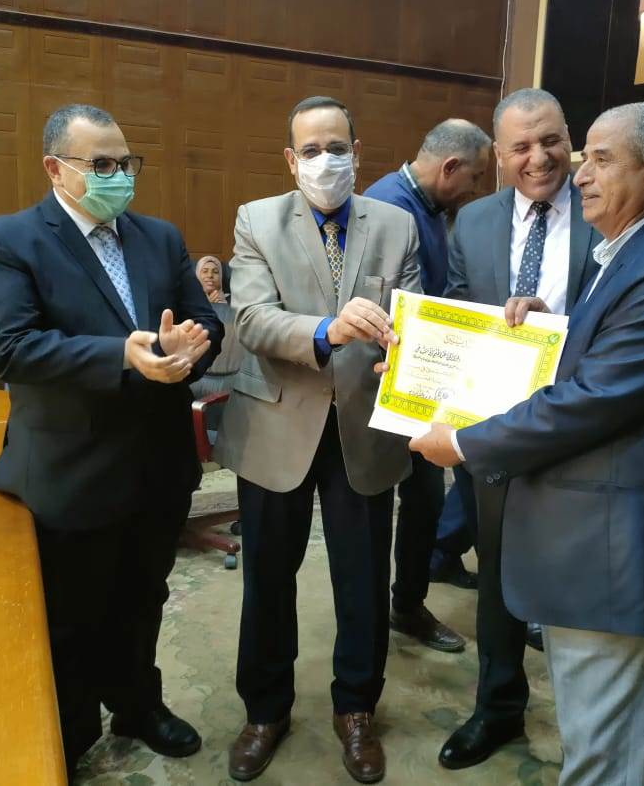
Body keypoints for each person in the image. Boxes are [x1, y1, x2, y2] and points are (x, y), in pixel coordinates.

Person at [408, 103, 644, 786]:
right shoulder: (629, 253)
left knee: (601, 757)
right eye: (585, 157)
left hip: (616, 552)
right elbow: (590, 365)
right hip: (585, 541)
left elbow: (591, 401)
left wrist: (462, 443)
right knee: (598, 742)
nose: (578, 173)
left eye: (600, 158)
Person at [0, 104, 222, 775]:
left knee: (144, 596)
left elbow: (206, 321)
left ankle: (138, 704)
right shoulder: (6, 240)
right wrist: (121, 355)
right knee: (72, 614)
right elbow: (10, 347)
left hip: (159, 463)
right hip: (71, 465)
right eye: (100, 164)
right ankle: (71, 731)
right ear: (55, 168)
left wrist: (189, 345)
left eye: (125, 163)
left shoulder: (159, 237)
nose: (118, 175)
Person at [219, 96, 420, 784]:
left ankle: (357, 708)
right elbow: (251, 319)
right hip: (277, 423)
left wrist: (408, 357)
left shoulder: (396, 225)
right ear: (290, 159)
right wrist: (326, 330)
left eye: (337, 147)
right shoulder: (257, 220)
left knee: (362, 579)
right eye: (310, 150)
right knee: (267, 577)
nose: (325, 160)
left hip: (364, 428)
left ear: (357, 152)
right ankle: (264, 711)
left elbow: (413, 321)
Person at [433, 87, 601, 770]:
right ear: (498, 156)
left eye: (552, 140)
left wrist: (556, 331)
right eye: (522, 147)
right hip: (496, 430)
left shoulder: (604, 209)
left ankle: (591, 726)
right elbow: (453, 309)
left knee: (582, 580)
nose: (540, 158)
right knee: (498, 575)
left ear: (571, 140)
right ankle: (498, 706)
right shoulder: (473, 221)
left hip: (586, 429)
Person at [363, 119, 492, 654]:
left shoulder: (431, 209)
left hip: (426, 377)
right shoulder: (387, 207)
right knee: (390, 507)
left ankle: (407, 602)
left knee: (425, 501)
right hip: (388, 382)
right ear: (450, 167)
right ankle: (385, 613)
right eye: (475, 177)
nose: (476, 189)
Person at [194, 255, 245, 398]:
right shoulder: (188, 304)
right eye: (205, 271)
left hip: (230, 376)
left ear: (221, 277)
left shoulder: (236, 302)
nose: (210, 275)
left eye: (215, 272)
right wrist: (206, 304)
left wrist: (223, 305)